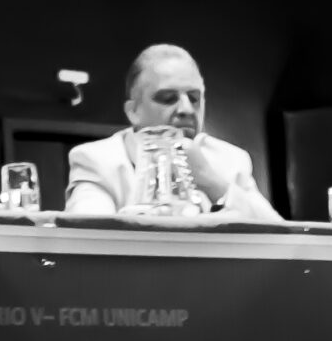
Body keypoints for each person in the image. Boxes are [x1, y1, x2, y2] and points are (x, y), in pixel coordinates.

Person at [63, 43, 280, 220]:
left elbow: (282, 239)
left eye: (194, 98)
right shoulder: (97, 159)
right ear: (133, 111)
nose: (186, 109)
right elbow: (89, 235)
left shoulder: (230, 160)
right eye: (168, 99)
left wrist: (213, 184)